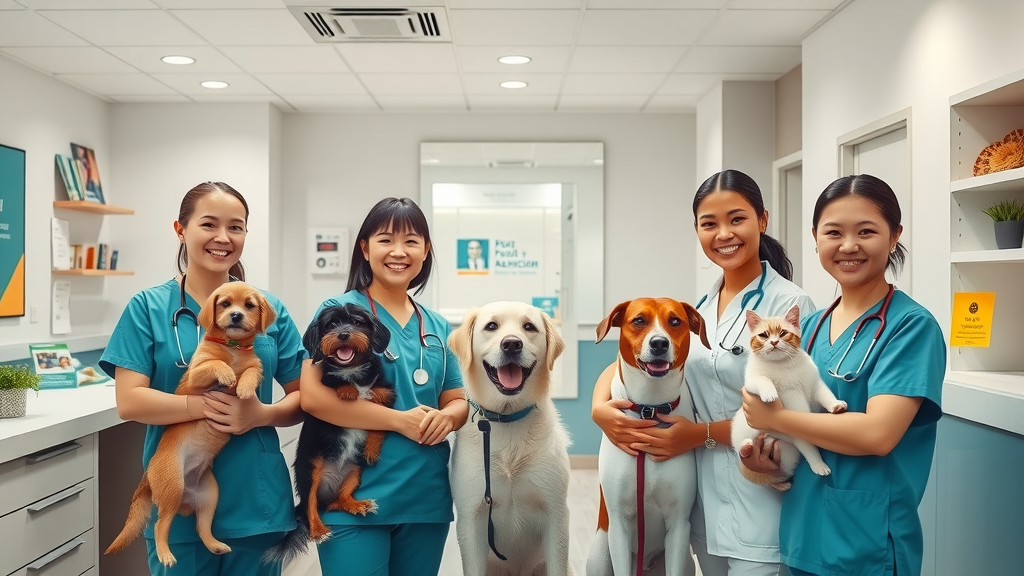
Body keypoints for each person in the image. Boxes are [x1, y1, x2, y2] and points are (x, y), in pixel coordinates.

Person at [590, 169, 814, 576]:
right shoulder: (703, 307)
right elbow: (640, 360)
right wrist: (599, 406)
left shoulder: (788, 306)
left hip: (762, 501)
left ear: (762, 220)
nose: (724, 233)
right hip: (703, 512)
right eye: (709, 223)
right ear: (696, 230)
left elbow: (792, 414)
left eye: (737, 219)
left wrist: (699, 434)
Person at [741, 174, 945, 576]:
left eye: (866, 231)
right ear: (815, 237)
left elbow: (878, 434)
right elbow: (784, 427)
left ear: (894, 236)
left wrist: (776, 418)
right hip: (802, 535)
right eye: (833, 232)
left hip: (868, 544)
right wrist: (767, 462)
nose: (848, 246)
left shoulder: (911, 327)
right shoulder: (808, 328)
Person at [100, 182, 306, 576]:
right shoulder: (148, 307)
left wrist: (259, 415)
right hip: (179, 494)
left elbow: (303, 397)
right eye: (209, 224)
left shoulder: (268, 308)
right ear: (181, 230)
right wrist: (201, 406)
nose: (223, 238)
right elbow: (130, 402)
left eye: (236, 227)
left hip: (256, 496)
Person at [300, 197, 469, 576]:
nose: (398, 251)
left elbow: (457, 399)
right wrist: (399, 421)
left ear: (426, 250)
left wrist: (448, 418)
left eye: (411, 241)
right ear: (365, 248)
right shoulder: (338, 310)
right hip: (350, 495)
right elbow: (311, 398)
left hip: (423, 496)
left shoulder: (437, 326)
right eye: (385, 240)